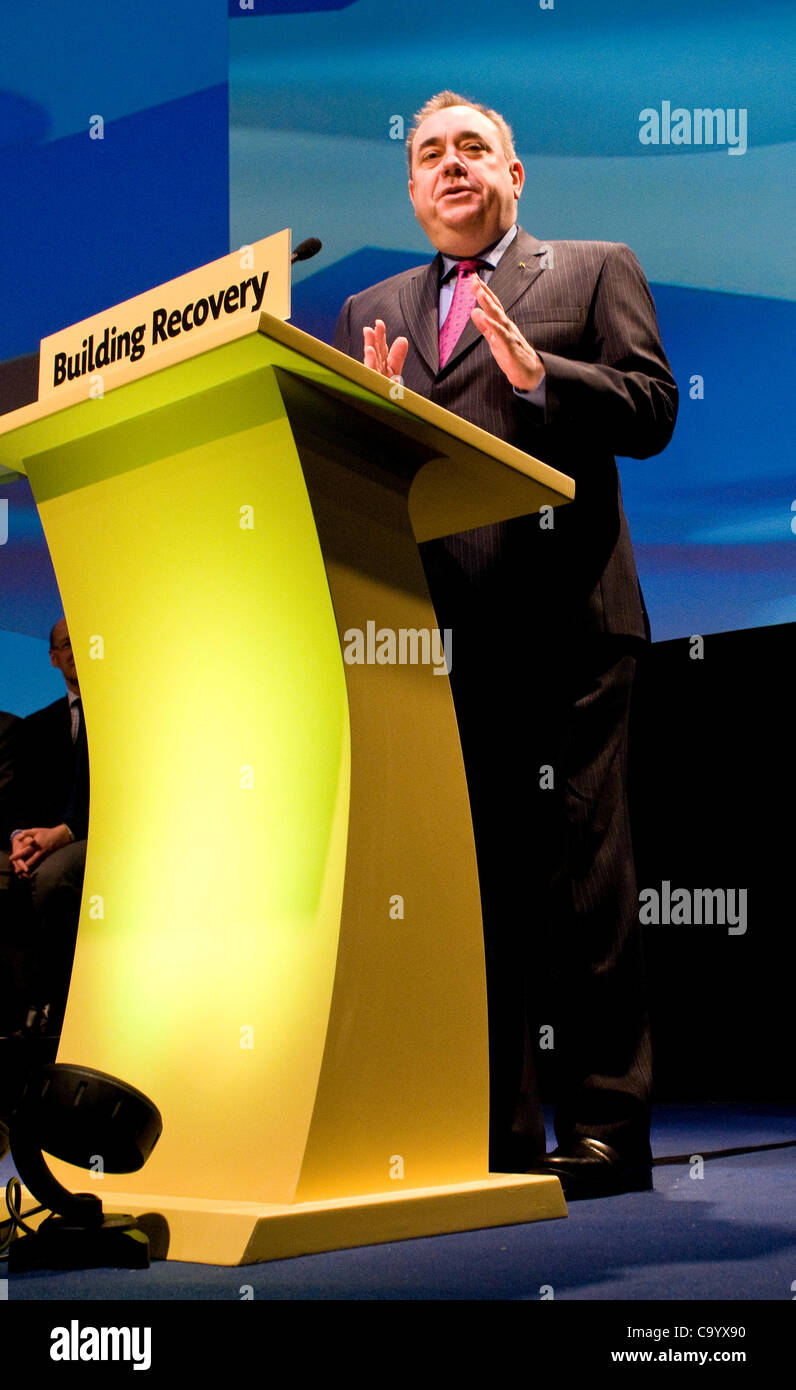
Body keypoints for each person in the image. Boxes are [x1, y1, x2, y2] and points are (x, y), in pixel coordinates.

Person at [333, 91, 678, 1199]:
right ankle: (487, 1128)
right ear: (410, 187)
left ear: (514, 175)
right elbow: (371, 476)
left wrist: (544, 381)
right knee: (467, 896)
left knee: (586, 887)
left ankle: (605, 1130)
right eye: (428, 154)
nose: (450, 168)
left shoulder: (589, 270)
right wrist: (370, 421)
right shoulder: (368, 307)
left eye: (472, 149)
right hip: (438, 641)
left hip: (571, 627)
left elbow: (652, 407)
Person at [7, 617, 89, 1036]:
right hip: (51, 842)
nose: (75, 650)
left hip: (101, 838)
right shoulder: (36, 726)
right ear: (54, 658)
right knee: (35, 872)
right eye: (65, 645)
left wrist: (61, 835)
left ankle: (51, 1010)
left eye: (83, 640)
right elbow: (19, 801)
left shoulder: (125, 715)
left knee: (53, 876)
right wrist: (21, 840)